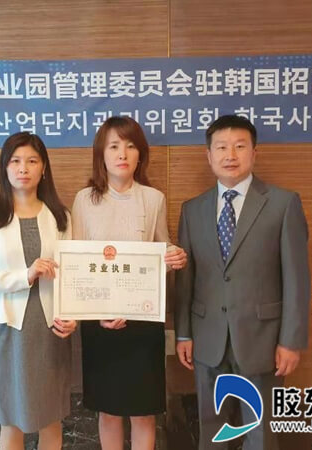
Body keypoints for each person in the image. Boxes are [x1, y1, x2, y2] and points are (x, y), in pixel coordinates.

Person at [174, 115, 310, 450]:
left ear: (254, 153)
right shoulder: (192, 210)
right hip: (207, 338)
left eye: (239, 146)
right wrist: (183, 333)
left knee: (261, 432)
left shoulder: (283, 204)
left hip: (263, 339)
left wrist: (291, 340)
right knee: (212, 429)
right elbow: (185, 279)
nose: (230, 155)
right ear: (209, 155)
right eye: (221, 147)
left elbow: (297, 278)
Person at [72, 116, 187, 450]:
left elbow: (161, 251)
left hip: (142, 320)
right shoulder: (84, 200)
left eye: (130, 146)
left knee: (143, 413)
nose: (122, 153)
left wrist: (173, 258)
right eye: (113, 146)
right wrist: (98, 314)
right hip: (99, 320)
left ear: (141, 154)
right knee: (107, 411)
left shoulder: (153, 199)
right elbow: (76, 263)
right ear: (101, 154)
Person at [0, 132, 77, 450]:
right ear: (5, 168)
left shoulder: (60, 217)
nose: (23, 168)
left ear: (44, 168)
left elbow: (72, 277)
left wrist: (73, 318)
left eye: (32, 161)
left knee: (51, 418)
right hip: (8, 329)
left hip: (51, 328)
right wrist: (25, 275)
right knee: (12, 420)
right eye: (15, 161)